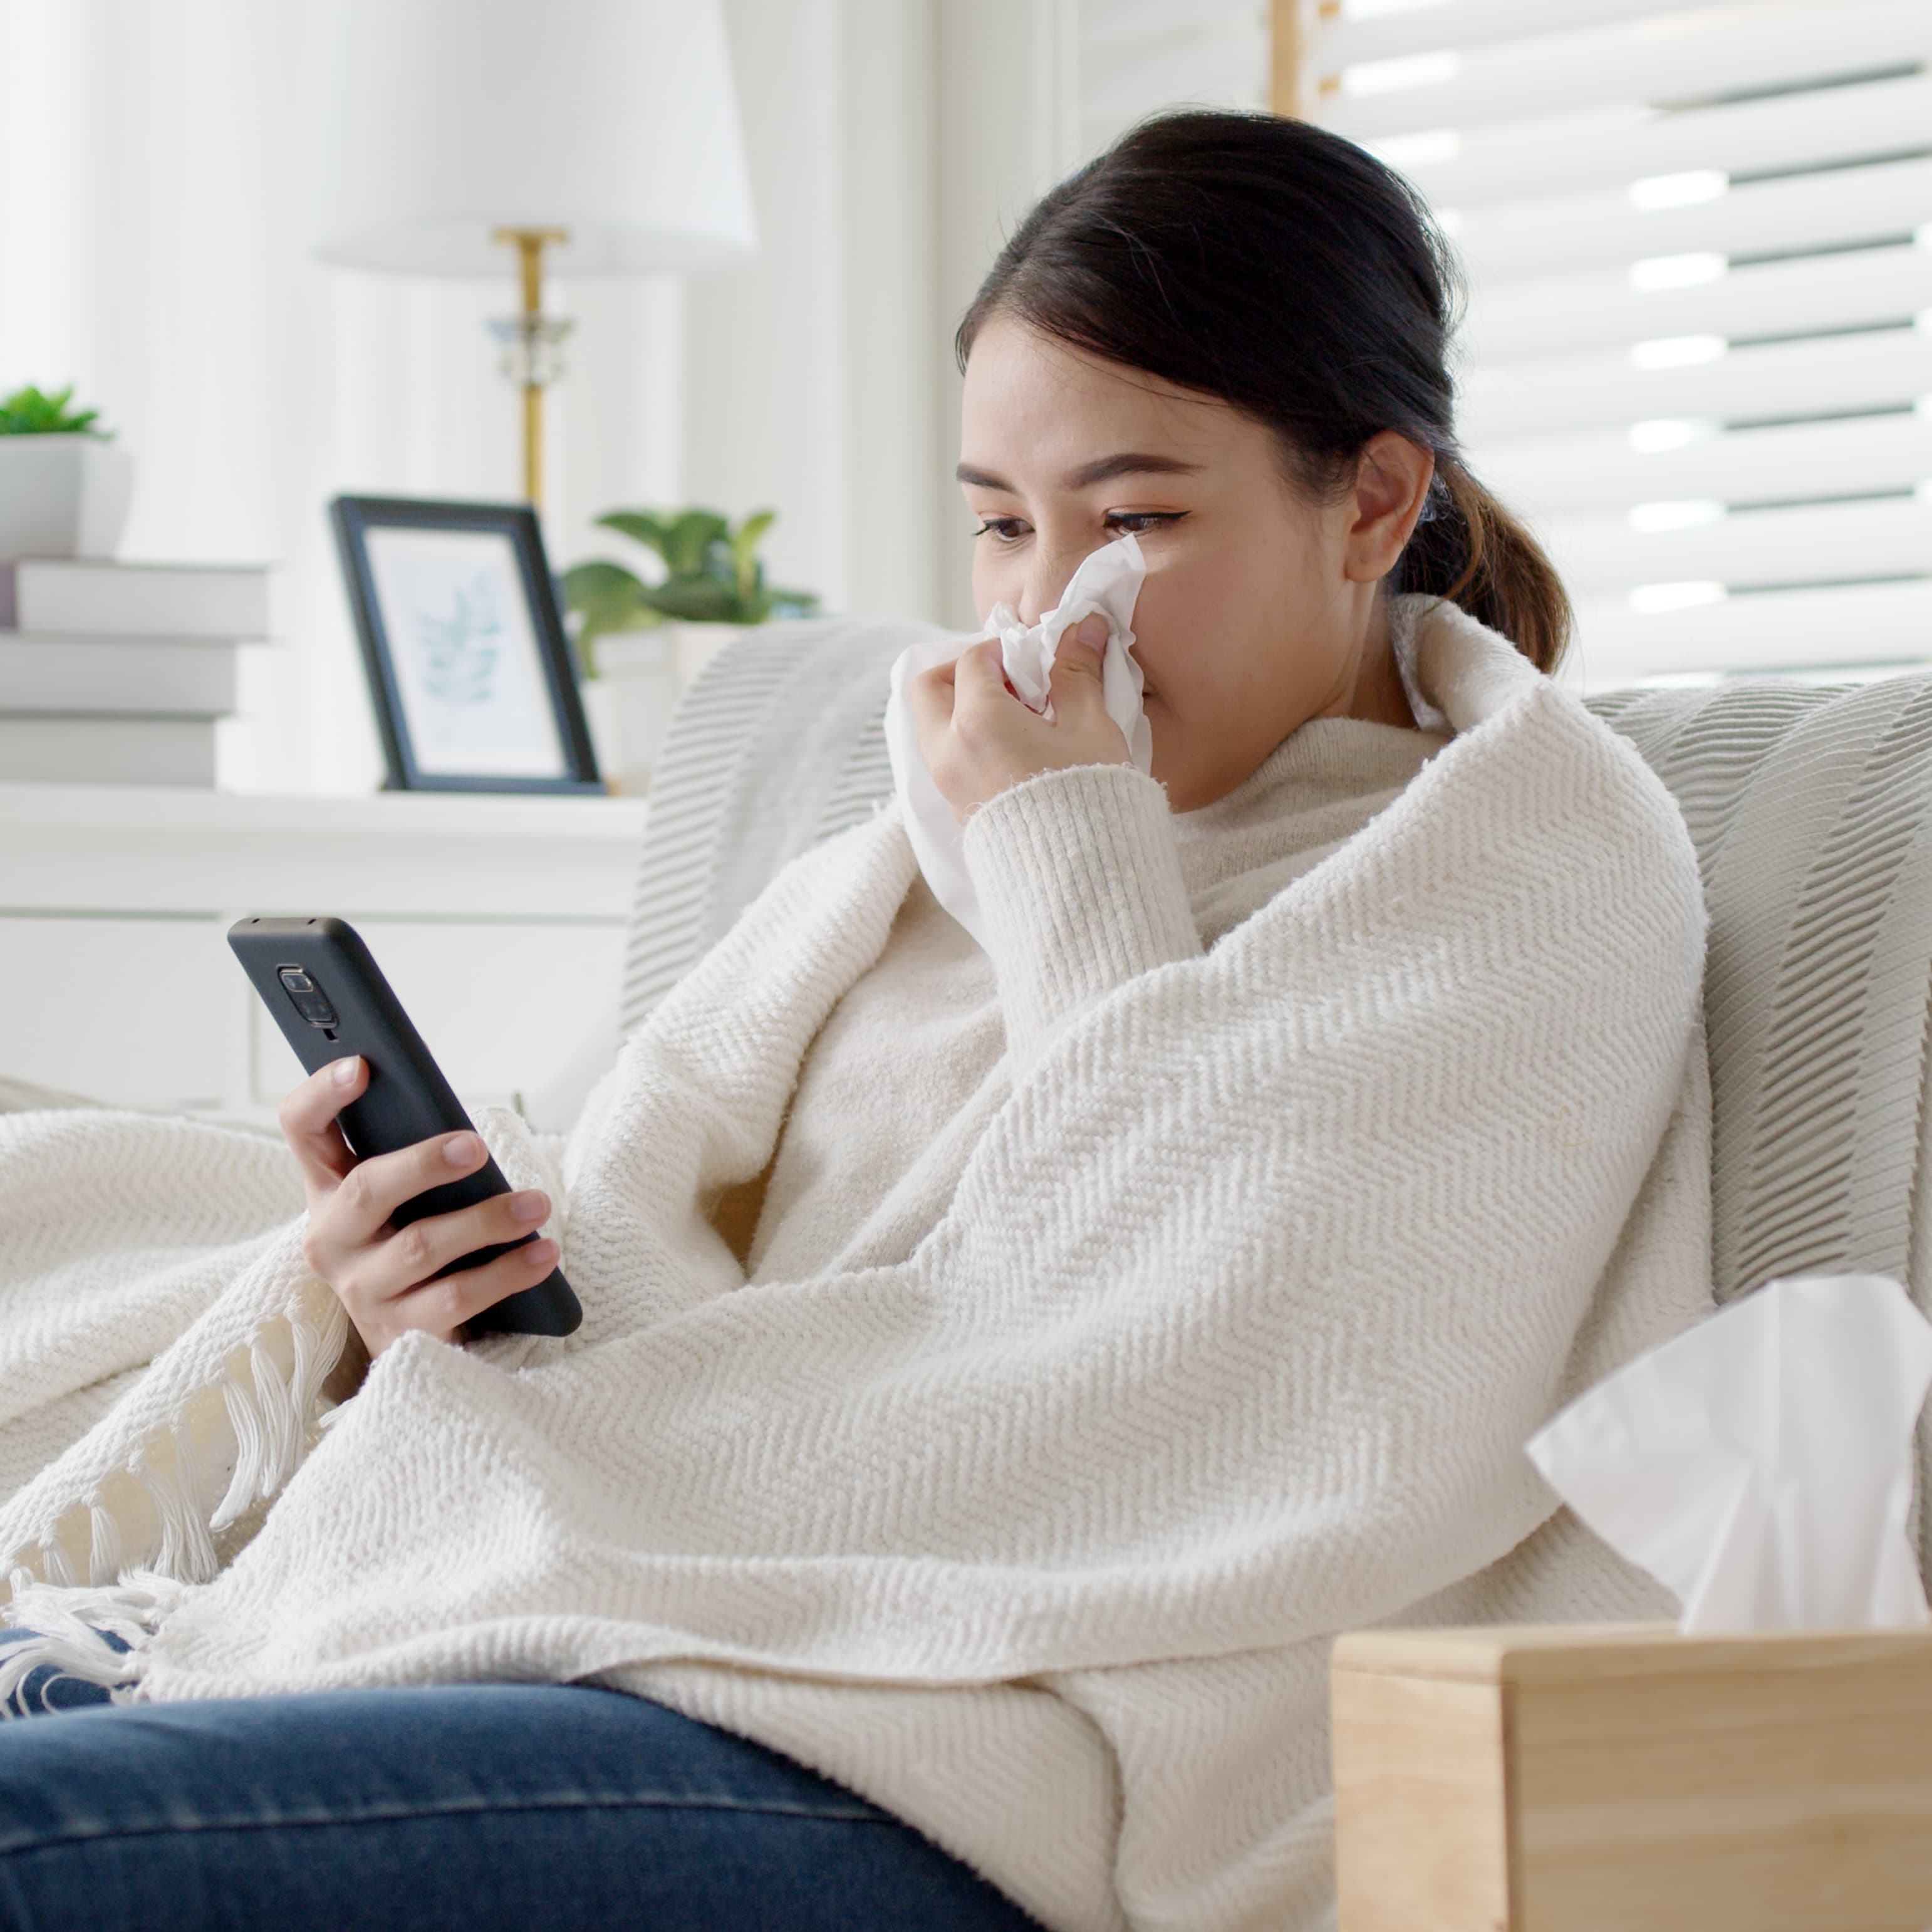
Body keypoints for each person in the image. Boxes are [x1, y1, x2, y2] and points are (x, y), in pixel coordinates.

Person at [0, 111, 1708, 1932]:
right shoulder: (916, 852)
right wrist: (415, 1292)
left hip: (976, 1741)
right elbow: (680, 1272)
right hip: (671, 1627)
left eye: (1134, 520)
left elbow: (1170, 1385)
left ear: (1371, 499)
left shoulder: (1507, 867)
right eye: (995, 522)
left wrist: (1068, 841)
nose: (1052, 608)